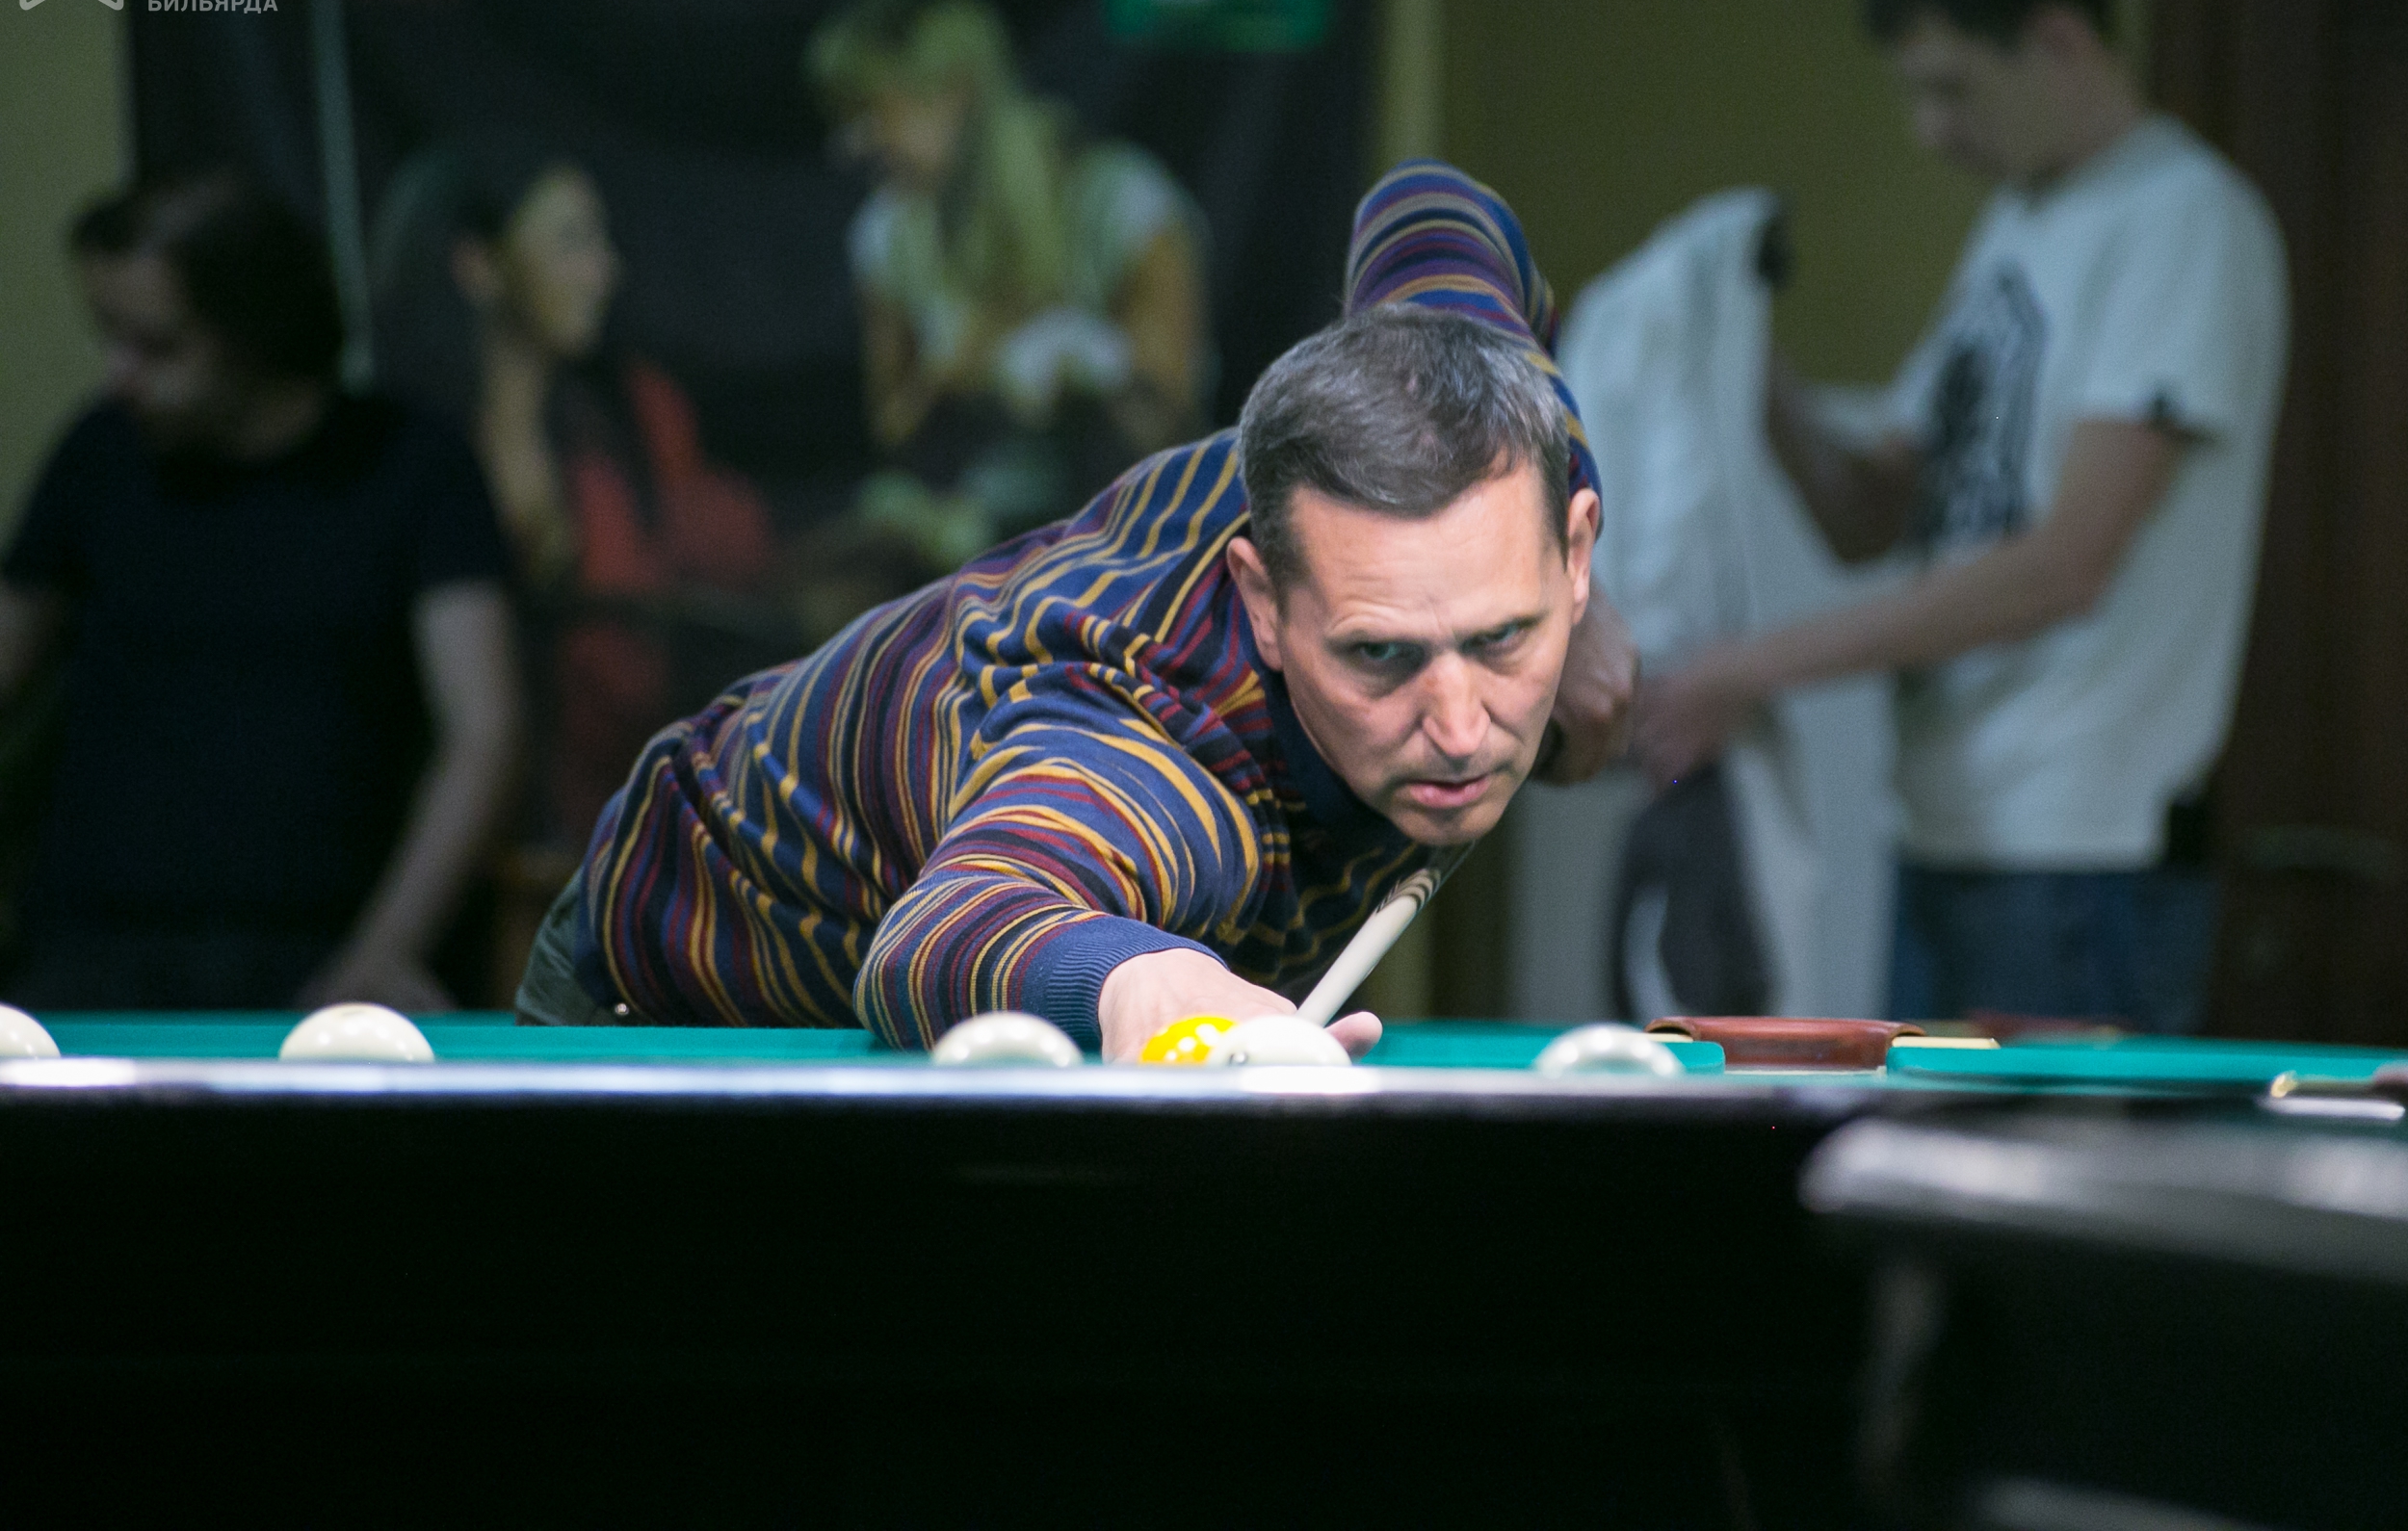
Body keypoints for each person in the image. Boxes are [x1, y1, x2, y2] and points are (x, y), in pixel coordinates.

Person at [516, 162, 1640, 1056]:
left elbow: (1428, 205)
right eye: (1381, 653)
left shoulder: (1483, 418)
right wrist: (1146, 980)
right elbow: (943, 932)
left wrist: (1567, 622)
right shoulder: (1160, 751)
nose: (1460, 725)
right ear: (1262, 598)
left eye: (1500, 635)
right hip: (686, 972)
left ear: (1573, 544)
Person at [1635, 0, 2289, 1032]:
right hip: (1947, 819)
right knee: (1911, 1143)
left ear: (2058, 40)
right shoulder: (2018, 224)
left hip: (2078, 844)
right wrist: (1738, 349)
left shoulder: (2183, 220)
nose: (1930, 131)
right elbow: (1868, 513)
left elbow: (2063, 564)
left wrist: (1746, 669)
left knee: (2042, 1154)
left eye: (1951, 89)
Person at [0, 175, 520, 1012]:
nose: (119, 375)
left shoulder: (411, 463)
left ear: (253, 331)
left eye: (158, 346)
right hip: (89, 955)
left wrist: (381, 957)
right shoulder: (100, 456)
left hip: (315, 956)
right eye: (111, 337)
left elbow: (483, 731)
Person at [370, 147, 784, 854]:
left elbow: (718, 562)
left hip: (621, 834)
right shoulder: (406, 456)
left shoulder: (631, 424)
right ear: (477, 265)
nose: (604, 271)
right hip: (452, 843)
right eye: (570, 242)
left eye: (599, 241)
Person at [809, 0, 1212, 571]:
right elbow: (892, 428)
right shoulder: (889, 234)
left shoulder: (1123, 205)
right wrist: (949, 378)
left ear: (953, 95)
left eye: (874, 111)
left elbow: (1172, 411)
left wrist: (1079, 369)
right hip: (966, 531)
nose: (853, 144)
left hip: (1126, 538)